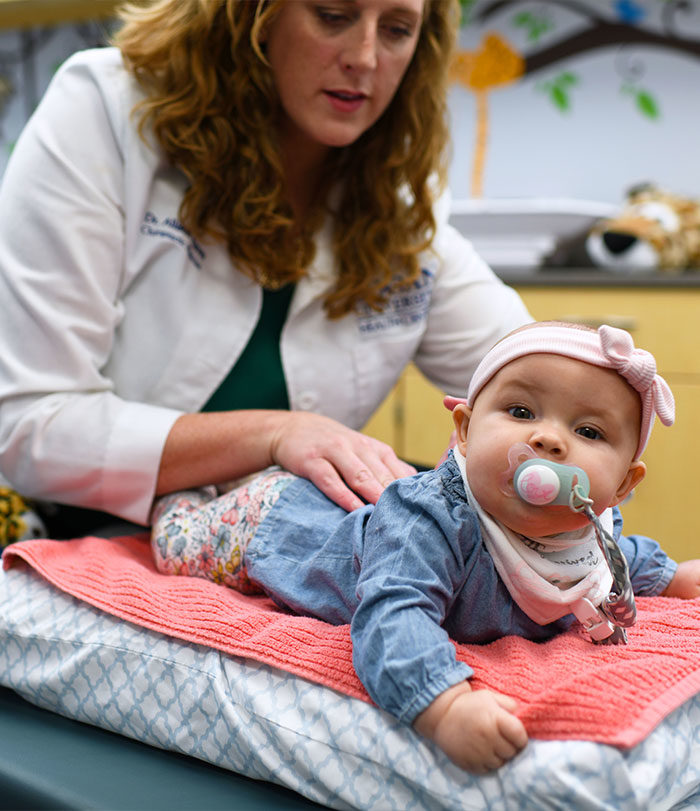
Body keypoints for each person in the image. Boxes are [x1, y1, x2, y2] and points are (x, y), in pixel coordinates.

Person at [0, 0, 531, 534]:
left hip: (269, 540)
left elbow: (536, 367)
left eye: (397, 29)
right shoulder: (106, 113)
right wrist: (276, 435)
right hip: (71, 528)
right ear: (252, 15)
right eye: (332, 15)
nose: (366, 57)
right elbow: (28, 425)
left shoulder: (397, 195)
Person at [151, 321, 700, 774]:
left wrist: (675, 578)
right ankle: (191, 488)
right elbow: (393, 614)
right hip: (278, 526)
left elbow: (621, 556)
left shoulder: (592, 524)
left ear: (624, 484)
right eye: (522, 413)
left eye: (589, 432)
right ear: (464, 430)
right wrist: (442, 703)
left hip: (334, 510)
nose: (549, 440)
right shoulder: (432, 517)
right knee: (175, 540)